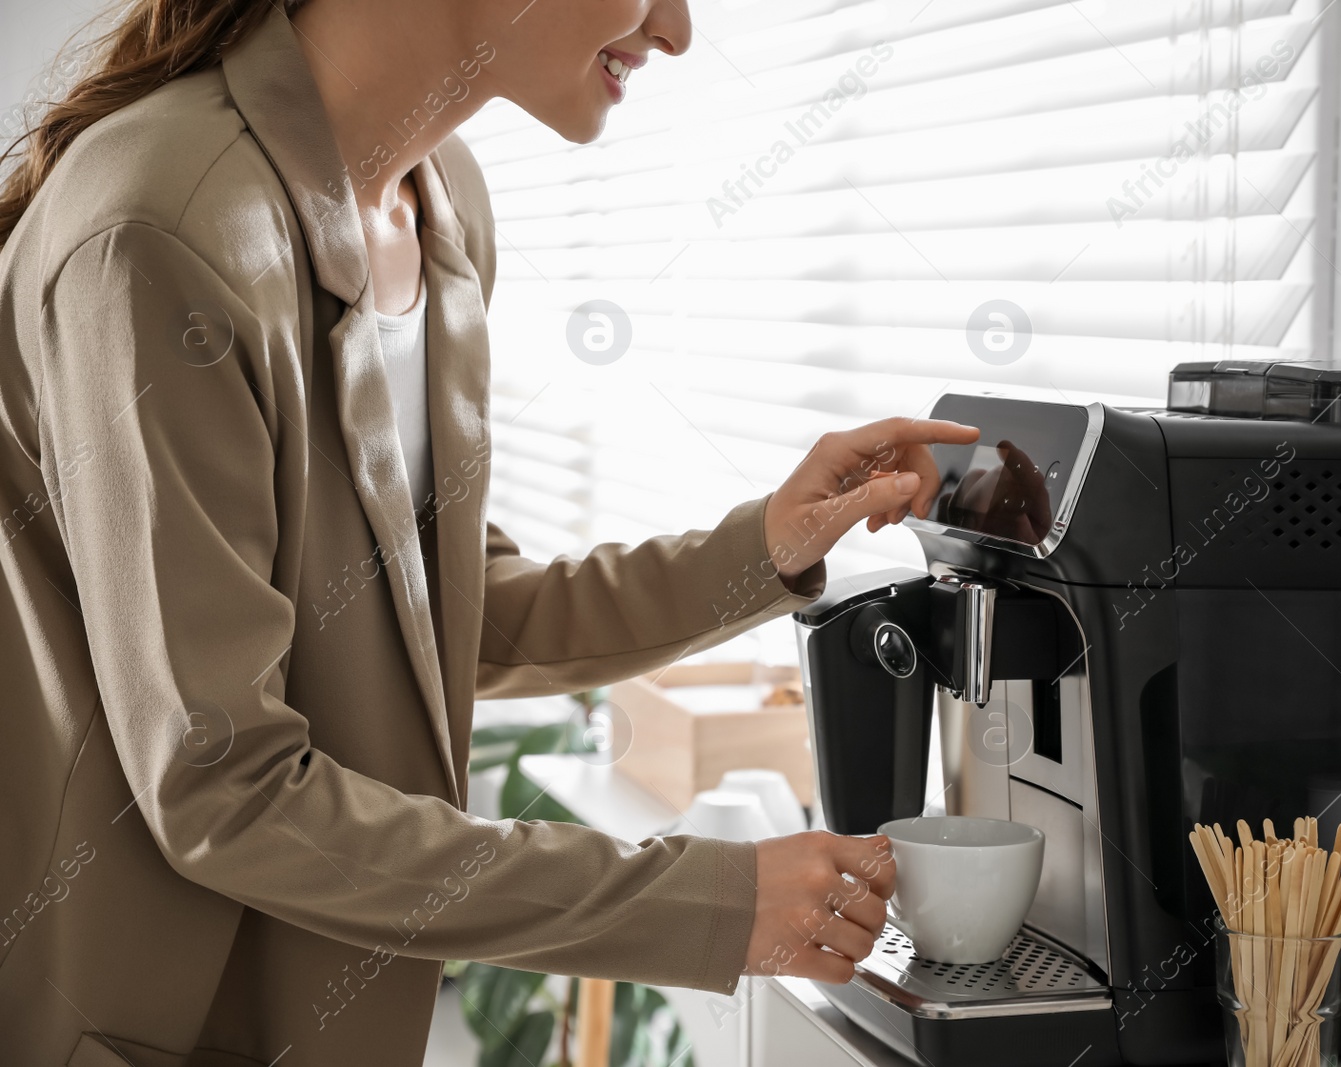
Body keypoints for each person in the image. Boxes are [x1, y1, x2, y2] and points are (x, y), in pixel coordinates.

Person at [0, 0, 980, 1062]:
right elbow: (221, 788)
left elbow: (443, 616)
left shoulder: (442, 203)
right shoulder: (161, 232)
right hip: (148, 1022)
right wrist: (709, 903)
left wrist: (765, 548)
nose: (678, 29)